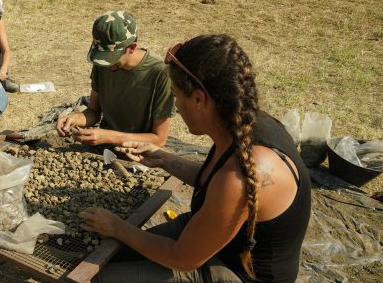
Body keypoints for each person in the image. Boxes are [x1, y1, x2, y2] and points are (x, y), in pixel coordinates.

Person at [79, 34, 311, 283]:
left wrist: (118, 227)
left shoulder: (241, 176)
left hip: (236, 272)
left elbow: (182, 258)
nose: (177, 106)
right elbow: (214, 179)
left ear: (199, 99)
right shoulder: (246, 122)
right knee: (111, 252)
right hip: (215, 238)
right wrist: (165, 159)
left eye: (177, 96)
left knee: (99, 277)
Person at [56, 11, 174, 149]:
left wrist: (108, 136)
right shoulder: (103, 63)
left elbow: (159, 139)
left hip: (139, 153)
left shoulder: (160, 73)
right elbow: (93, 112)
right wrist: (74, 119)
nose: (106, 63)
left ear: (131, 47)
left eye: (111, 57)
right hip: (104, 146)